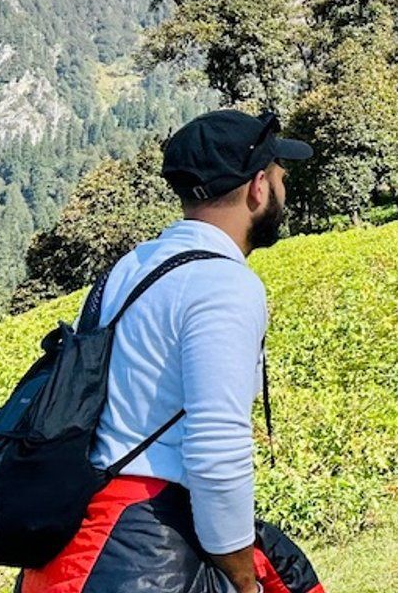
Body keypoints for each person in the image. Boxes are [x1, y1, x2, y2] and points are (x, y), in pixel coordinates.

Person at [17, 110, 325, 593]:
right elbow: (217, 452)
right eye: (280, 177)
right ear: (258, 188)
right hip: (145, 560)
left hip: (66, 553)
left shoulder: (128, 270)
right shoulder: (223, 285)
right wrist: (245, 579)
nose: (282, 191)